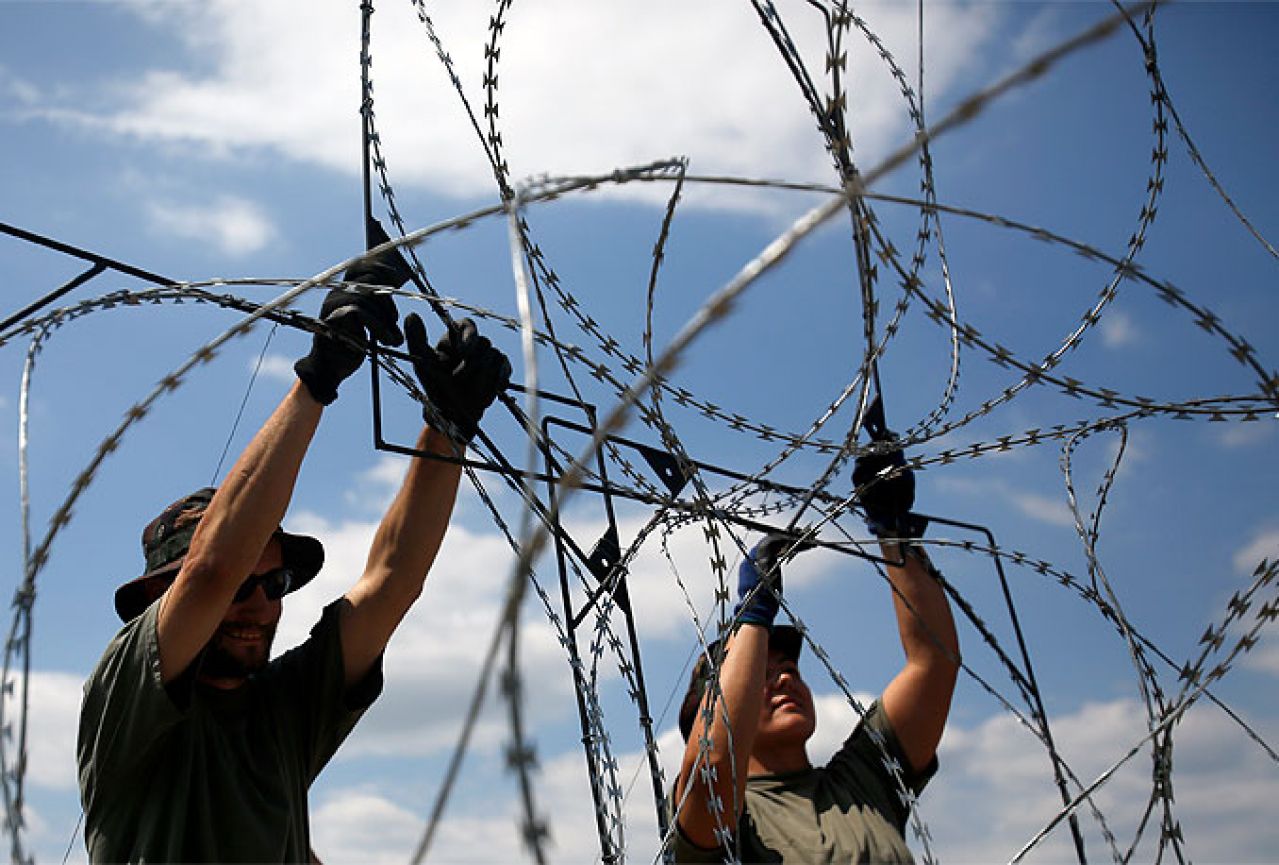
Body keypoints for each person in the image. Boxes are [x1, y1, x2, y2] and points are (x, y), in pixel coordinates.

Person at [76, 223, 512, 864]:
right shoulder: (129, 702)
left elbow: (392, 580)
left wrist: (447, 429)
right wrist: (319, 377)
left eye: (274, 584)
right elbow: (211, 570)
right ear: (160, 601)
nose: (260, 606)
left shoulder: (281, 714)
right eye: (242, 587)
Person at [670, 434, 960, 863]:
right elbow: (713, 763)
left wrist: (893, 533)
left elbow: (934, 663)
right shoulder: (733, 820)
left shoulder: (865, 781)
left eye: (789, 669)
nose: (786, 677)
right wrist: (753, 615)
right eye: (761, 678)